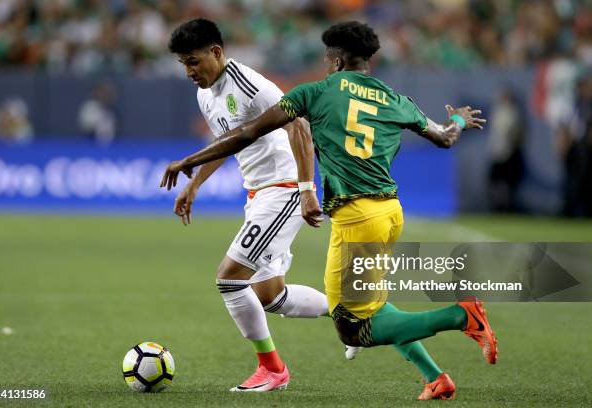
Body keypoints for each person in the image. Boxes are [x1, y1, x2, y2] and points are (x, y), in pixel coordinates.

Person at [161, 21, 498, 400]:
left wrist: (302, 189)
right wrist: (458, 120)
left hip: (337, 209)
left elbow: (263, 132)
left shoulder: (314, 91)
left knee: (346, 325)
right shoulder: (392, 97)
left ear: (335, 60)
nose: (324, 63)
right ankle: (435, 376)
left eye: (326, 57)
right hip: (388, 211)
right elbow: (444, 136)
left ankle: (460, 315)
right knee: (292, 298)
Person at [166, 19, 360, 393]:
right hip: (257, 194)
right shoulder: (206, 93)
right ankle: (350, 315)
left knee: (229, 277)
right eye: (183, 65)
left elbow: (300, 127)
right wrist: (195, 184)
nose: (189, 72)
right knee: (270, 296)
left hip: (283, 190)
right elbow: (228, 142)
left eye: (193, 62)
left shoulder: (251, 85)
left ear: (216, 52)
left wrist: (306, 190)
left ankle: (272, 370)